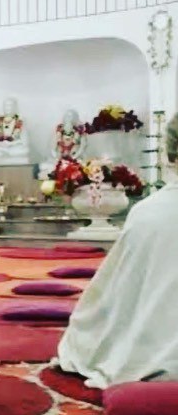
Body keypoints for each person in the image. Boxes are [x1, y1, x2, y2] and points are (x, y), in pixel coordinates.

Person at [57, 115, 178, 388]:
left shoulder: (147, 212)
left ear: (170, 155)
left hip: (146, 352)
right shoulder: (146, 212)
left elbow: (115, 295)